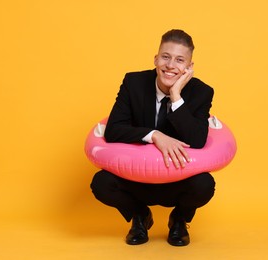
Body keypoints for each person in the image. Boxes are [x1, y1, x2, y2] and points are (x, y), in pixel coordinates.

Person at [90, 29, 215, 246]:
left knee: (204, 185)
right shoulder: (134, 82)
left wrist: (176, 96)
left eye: (179, 60)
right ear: (156, 58)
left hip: (177, 179)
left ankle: (178, 220)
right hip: (136, 179)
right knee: (101, 183)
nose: (170, 65)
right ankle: (140, 216)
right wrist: (154, 135)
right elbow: (113, 130)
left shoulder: (202, 92)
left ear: (189, 67)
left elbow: (198, 140)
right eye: (165, 57)